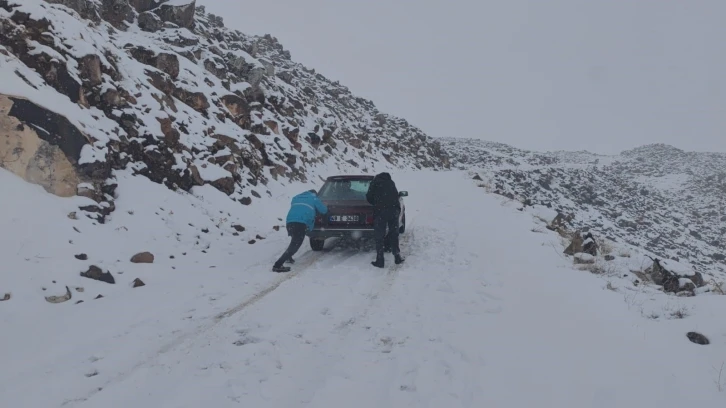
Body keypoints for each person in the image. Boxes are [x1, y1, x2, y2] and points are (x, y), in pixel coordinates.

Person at [272, 189, 328, 272]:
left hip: (290, 222)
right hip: (300, 223)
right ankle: (278, 265)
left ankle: (288, 257)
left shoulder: (296, 197)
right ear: (314, 194)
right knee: (295, 244)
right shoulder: (314, 198)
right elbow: (324, 210)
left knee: (294, 241)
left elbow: (299, 209)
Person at [366, 172, 404, 268]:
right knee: (394, 234)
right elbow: (395, 196)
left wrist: (376, 202)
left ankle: (380, 260)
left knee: (379, 236)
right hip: (393, 211)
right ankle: (397, 256)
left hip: (380, 212)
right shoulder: (391, 182)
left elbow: (369, 197)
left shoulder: (375, 183)